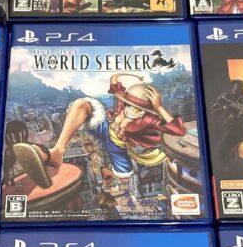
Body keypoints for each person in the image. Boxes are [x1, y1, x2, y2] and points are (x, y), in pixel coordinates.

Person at [12, 73, 186, 189]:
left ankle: (111, 174)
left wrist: (159, 107)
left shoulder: (149, 119)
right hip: (104, 128)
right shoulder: (122, 104)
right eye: (129, 105)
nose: (132, 110)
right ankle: (56, 152)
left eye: (139, 109)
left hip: (117, 147)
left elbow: (178, 130)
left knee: (124, 176)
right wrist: (131, 76)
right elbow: (115, 82)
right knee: (82, 104)